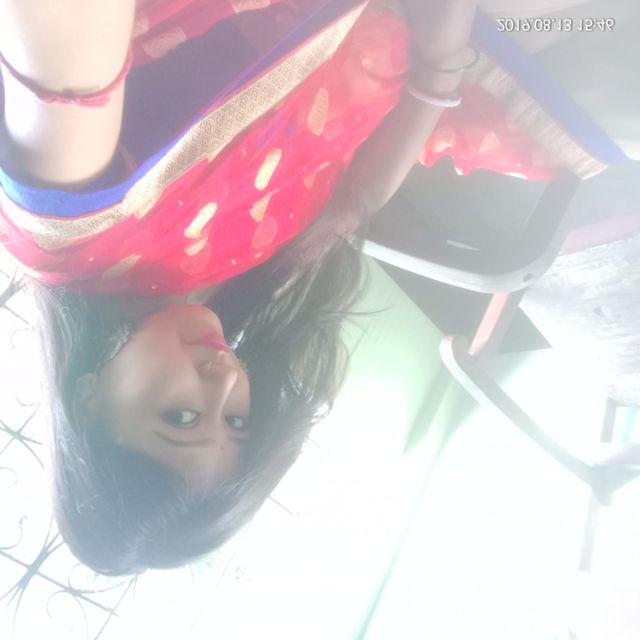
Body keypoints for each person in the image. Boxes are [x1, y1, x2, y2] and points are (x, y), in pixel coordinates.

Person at [0, 0, 633, 576]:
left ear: (88, 401)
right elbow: (355, 202)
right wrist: (439, 68)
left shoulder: (75, 227)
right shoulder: (226, 296)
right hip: (433, 51)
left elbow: (62, 55)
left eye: (181, 416)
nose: (223, 380)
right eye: (238, 419)